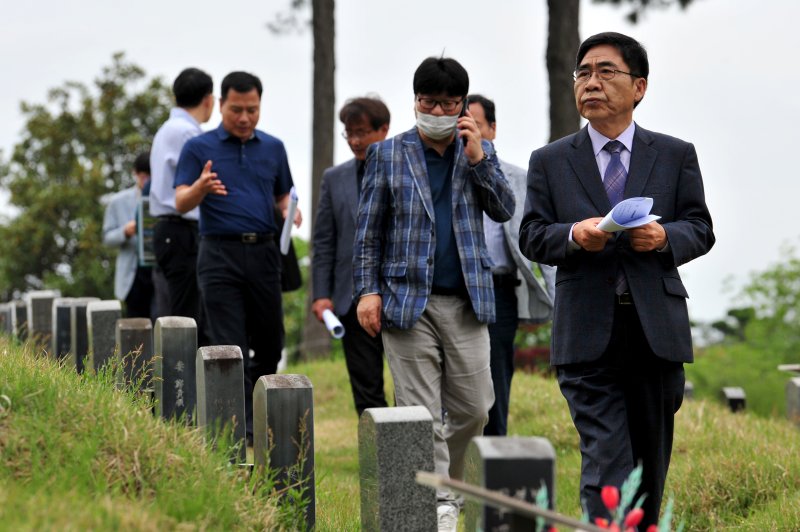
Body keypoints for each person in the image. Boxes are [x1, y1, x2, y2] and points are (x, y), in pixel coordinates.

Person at [519, 32, 715, 527]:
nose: (591, 82)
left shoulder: (674, 154)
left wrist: (664, 237)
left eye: (606, 72)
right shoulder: (550, 160)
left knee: (648, 472)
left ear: (639, 86)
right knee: (606, 464)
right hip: (586, 333)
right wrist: (574, 235)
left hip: (656, 333)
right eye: (583, 73)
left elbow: (700, 228)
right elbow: (532, 235)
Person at [353, 56, 514, 531]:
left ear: (461, 105)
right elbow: (368, 233)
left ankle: (452, 489)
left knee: (475, 407)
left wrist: (479, 158)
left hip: (467, 300)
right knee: (418, 410)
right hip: (407, 301)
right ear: (415, 101)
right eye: (429, 102)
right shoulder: (387, 154)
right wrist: (367, 291)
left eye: (447, 104)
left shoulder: (478, 151)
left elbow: (504, 209)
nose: (437, 111)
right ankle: (441, 502)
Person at [174, 71, 301, 444]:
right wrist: (200, 187)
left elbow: (283, 194)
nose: (245, 118)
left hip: (265, 253)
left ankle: (260, 415)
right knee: (230, 347)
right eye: (236, 110)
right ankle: (241, 429)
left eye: (252, 110)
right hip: (219, 254)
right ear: (220, 105)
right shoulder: (198, 148)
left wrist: (289, 210)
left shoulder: (274, 147)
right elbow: (180, 201)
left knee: (271, 343)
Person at [466, 94, 556, 436]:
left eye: (476, 125)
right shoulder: (448, 176)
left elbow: (540, 238)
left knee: (496, 371)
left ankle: (495, 449)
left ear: (492, 128)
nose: (469, 132)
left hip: (499, 289)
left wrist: (557, 299)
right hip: (455, 288)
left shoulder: (519, 178)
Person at [311, 96, 391, 416]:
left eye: (362, 132)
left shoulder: (405, 169)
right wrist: (321, 294)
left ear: (383, 129)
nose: (355, 141)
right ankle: (375, 444)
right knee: (366, 389)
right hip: (350, 297)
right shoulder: (334, 178)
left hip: (400, 294)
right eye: (349, 133)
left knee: (411, 385)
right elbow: (324, 240)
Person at [149, 68, 214, 339]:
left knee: (177, 310)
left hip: (168, 230)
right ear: (208, 100)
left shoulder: (167, 129)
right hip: (182, 230)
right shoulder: (188, 133)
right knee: (188, 318)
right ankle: (183, 368)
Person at [102, 152, 155, 319]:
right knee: (135, 323)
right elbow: (107, 238)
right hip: (132, 274)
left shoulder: (164, 199)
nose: (147, 181)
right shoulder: (118, 201)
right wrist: (125, 231)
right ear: (135, 174)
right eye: (144, 176)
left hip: (158, 271)